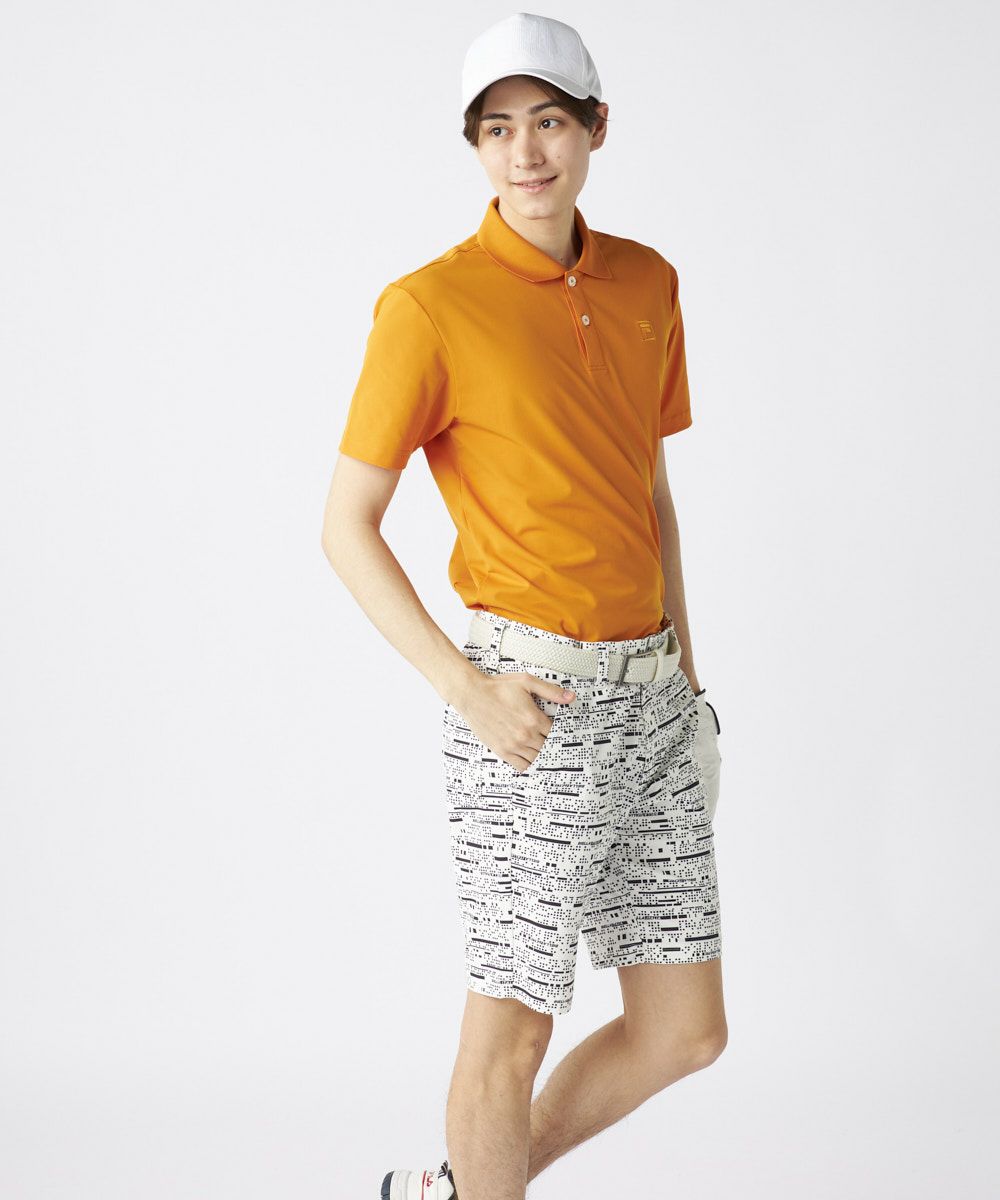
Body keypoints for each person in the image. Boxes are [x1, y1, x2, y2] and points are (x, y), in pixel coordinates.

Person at [320, 13, 725, 1200]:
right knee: (511, 1031)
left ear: (594, 128)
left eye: (547, 120)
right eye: (495, 129)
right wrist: (467, 690)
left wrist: (690, 685)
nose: (524, 152)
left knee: (685, 1030)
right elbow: (344, 526)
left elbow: (647, 489)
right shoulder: (429, 306)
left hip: (654, 700)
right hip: (530, 706)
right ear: (475, 147)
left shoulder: (647, 280)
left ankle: (457, 1190)